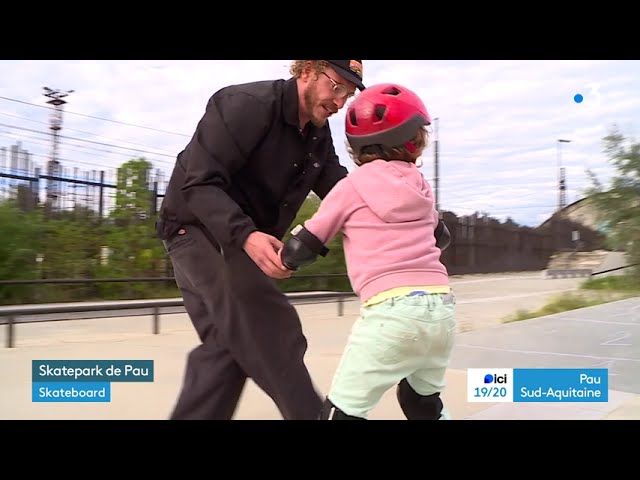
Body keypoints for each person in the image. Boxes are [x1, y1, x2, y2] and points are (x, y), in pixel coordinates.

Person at [155, 60, 366, 420]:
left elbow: (341, 191)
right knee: (272, 326)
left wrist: (398, 214)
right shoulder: (246, 105)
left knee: (229, 347)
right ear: (306, 71)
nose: (340, 102)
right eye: (336, 86)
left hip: (228, 240)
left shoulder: (316, 135)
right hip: (198, 229)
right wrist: (248, 236)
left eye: (348, 93)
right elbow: (199, 183)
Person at [280, 82, 456, 420]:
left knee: (341, 413)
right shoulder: (421, 187)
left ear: (356, 146)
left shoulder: (351, 187)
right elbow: (441, 237)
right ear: (414, 142)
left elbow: (306, 244)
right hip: (441, 311)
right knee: (422, 404)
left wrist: (285, 258)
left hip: (391, 314)